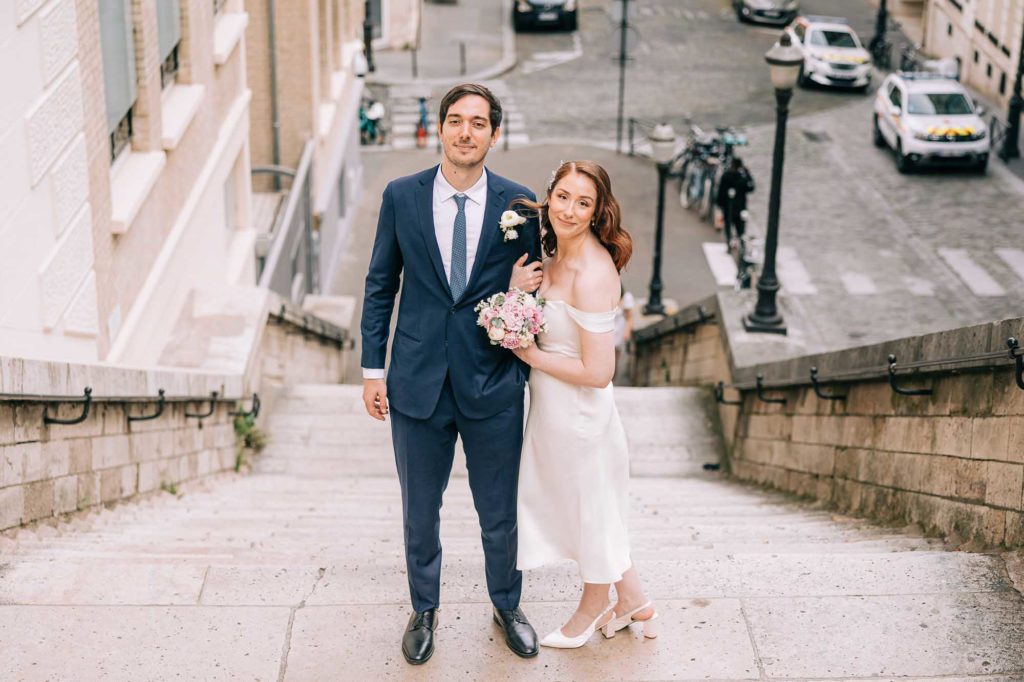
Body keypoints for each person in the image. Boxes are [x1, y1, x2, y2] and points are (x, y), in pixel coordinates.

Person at [360, 83, 545, 665]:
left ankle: (507, 604)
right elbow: (380, 284)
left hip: (492, 380)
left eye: (479, 123)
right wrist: (372, 369)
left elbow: (539, 288)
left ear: (494, 133)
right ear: (440, 128)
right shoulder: (401, 196)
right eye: (457, 121)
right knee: (420, 508)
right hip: (415, 381)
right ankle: (424, 608)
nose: (467, 132)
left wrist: (520, 298)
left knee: (500, 508)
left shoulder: (520, 205)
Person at [511, 161, 659, 648]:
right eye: (562, 197)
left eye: (583, 202)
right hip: (552, 413)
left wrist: (531, 354)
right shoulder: (551, 254)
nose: (569, 210)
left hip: (580, 417)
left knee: (591, 514)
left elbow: (600, 372)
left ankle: (592, 607)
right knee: (590, 510)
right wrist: (515, 294)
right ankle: (635, 601)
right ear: (548, 196)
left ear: (598, 212)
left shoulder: (594, 272)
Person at [715, 157, 755, 246]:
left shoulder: (726, 176)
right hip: (740, 207)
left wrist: (719, 204)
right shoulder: (742, 178)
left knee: (728, 227)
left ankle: (729, 241)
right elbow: (751, 188)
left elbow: (720, 192)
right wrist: (748, 174)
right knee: (740, 229)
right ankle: (740, 244)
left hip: (727, 207)